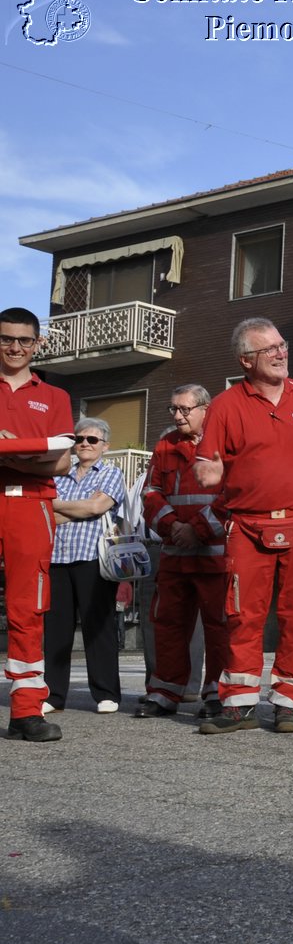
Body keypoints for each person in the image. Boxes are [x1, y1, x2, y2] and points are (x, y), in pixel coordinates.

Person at [194, 318, 293, 734]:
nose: (281, 353)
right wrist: (210, 473)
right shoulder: (224, 405)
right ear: (245, 360)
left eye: (281, 345)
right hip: (245, 525)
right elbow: (207, 464)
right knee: (242, 614)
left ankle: (289, 703)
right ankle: (238, 705)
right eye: (268, 349)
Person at [0, 307, 73, 742]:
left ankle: (26, 711)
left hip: (30, 504)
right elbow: (48, 454)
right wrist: (34, 453)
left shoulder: (55, 397)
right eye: (7, 339)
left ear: (37, 344)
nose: (15, 348)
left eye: (24, 341)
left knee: (28, 608)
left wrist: (12, 452)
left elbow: (61, 459)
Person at [137, 385, 228, 720]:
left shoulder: (225, 443)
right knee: (168, 624)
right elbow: (151, 492)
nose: (177, 416)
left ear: (206, 409)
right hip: (175, 554)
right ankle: (164, 691)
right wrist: (173, 526)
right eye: (172, 409)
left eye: (184, 409)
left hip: (216, 555)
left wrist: (197, 530)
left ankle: (217, 693)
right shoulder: (165, 445)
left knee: (220, 626)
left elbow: (234, 493)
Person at [44, 417, 128, 714]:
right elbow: (45, 513)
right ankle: (53, 695)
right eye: (79, 439)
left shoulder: (111, 472)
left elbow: (96, 507)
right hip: (57, 558)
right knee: (56, 629)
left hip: (94, 559)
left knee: (99, 626)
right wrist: (78, 508)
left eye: (92, 440)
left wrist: (59, 505)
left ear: (105, 445)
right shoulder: (57, 475)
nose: (84, 444)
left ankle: (106, 693)